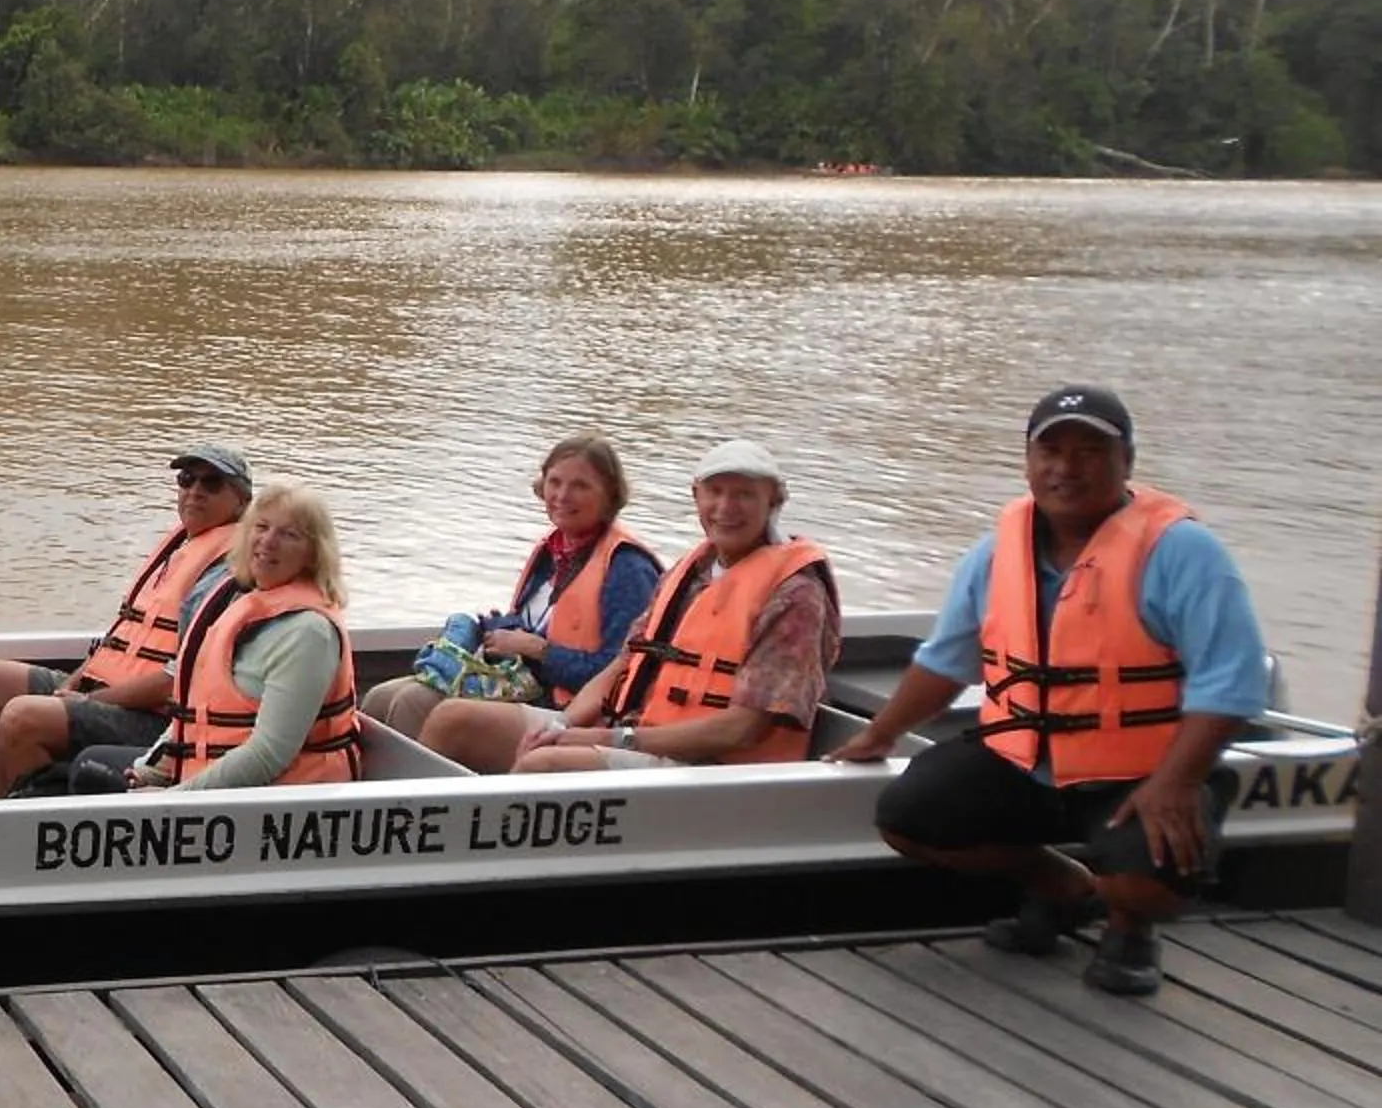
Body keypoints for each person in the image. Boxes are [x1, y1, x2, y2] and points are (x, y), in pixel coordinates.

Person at [830, 386, 1269, 996]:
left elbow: (1233, 681)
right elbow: (945, 662)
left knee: (1158, 878)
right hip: (1022, 759)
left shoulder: (1183, 552)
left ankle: (1131, 924)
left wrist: (1178, 781)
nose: (1067, 468)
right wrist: (878, 734)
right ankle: (1066, 888)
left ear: (1128, 463)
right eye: (1051, 451)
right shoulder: (995, 554)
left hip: (1140, 771)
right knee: (908, 817)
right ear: (1029, 462)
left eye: (1091, 451)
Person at [431, 439, 838, 774]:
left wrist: (610, 739)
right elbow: (619, 667)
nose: (726, 507)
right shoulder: (692, 571)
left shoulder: (795, 594)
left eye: (744, 495)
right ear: (696, 496)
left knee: (546, 766)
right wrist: (562, 723)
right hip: (633, 726)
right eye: (715, 492)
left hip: (712, 765)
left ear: (774, 503)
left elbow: (740, 729)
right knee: (454, 720)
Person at [0, 445, 253, 796]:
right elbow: (121, 637)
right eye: (187, 480)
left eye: (211, 484)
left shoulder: (231, 571)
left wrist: (92, 703)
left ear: (241, 502)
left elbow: (176, 680)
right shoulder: (179, 548)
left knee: (22, 718)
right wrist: (73, 683)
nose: (194, 491)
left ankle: (31, 826)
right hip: (105, 690)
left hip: (157, 719)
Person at [365, 433, 662, 739]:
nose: (562, 495)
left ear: (609, 495)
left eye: (581, 486)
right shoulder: (553, 552)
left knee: (414, 702)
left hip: (570, 711)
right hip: (518, 683)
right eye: (555, 482)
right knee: (380, 697)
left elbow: (624, 675)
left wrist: (537, 650)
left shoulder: (627, 568)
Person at [123, 482, 361, 792]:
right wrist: (149, 772)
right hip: (204, 779)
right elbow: (192, 713)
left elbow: (269, 755)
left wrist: (172, 800)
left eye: (290, 535)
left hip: (276, 803)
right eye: (261, 527)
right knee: (85, 771)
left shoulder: (308, 633)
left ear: (314, 555)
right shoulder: (242, 604)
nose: (268, 542)